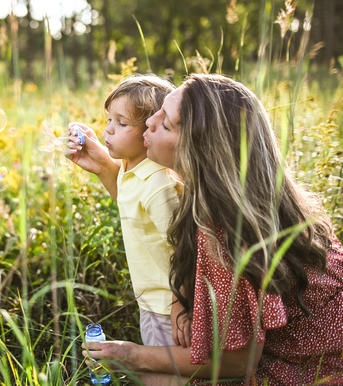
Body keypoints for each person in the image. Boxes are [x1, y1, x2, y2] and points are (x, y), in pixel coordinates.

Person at [76, 73, 343, 385]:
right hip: (282, 347)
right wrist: (179, 300)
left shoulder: (228, 237)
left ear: (197, 150)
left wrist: (134, 356)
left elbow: (239, 363)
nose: (150, 122)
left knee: (152, 378)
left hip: (313, 365)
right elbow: (157, 230)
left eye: (165, 123)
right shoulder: (203, 194)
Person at [65, 74, 182, 347]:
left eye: (121, 123)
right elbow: (131, 208)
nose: (108, 130)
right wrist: (102, 164)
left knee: (167, 373)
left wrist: (181, 306)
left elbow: (184, 250)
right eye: (109, 120)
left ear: (151, 130)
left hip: (168, 306)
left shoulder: (159, 185)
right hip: (152, 300)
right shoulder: (131, 168)